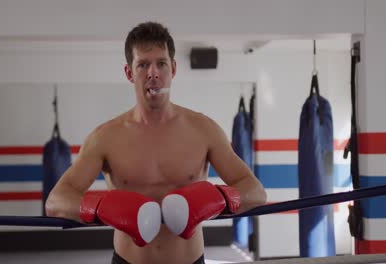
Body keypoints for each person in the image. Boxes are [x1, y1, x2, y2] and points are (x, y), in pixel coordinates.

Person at [46, 21, 267, 264]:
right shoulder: (105, 138)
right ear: (129, 73)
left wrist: (217, 199)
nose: (153, 73)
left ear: (173, 69)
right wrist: (101, 207)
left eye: (161, 63)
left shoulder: (204, 130)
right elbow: (56, 202)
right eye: (143, 65)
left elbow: (255, 192)